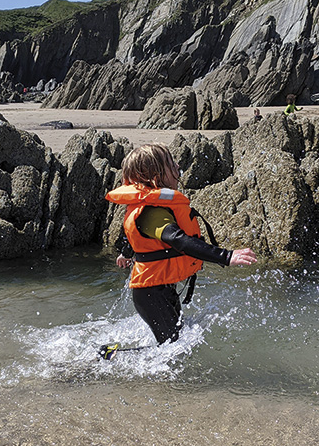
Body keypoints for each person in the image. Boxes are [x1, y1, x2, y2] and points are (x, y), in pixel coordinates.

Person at [105, 144, 256, 345]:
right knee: (172, 345)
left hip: (161, 289)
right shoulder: (152, 213)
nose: (177, 166)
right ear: (155, 176)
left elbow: (137, 237)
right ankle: (113, 360)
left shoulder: (155, 207)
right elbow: (179, 240)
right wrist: (225, 257)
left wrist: (125, 253)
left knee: (178, 337)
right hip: (150, 294)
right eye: (170, 164)